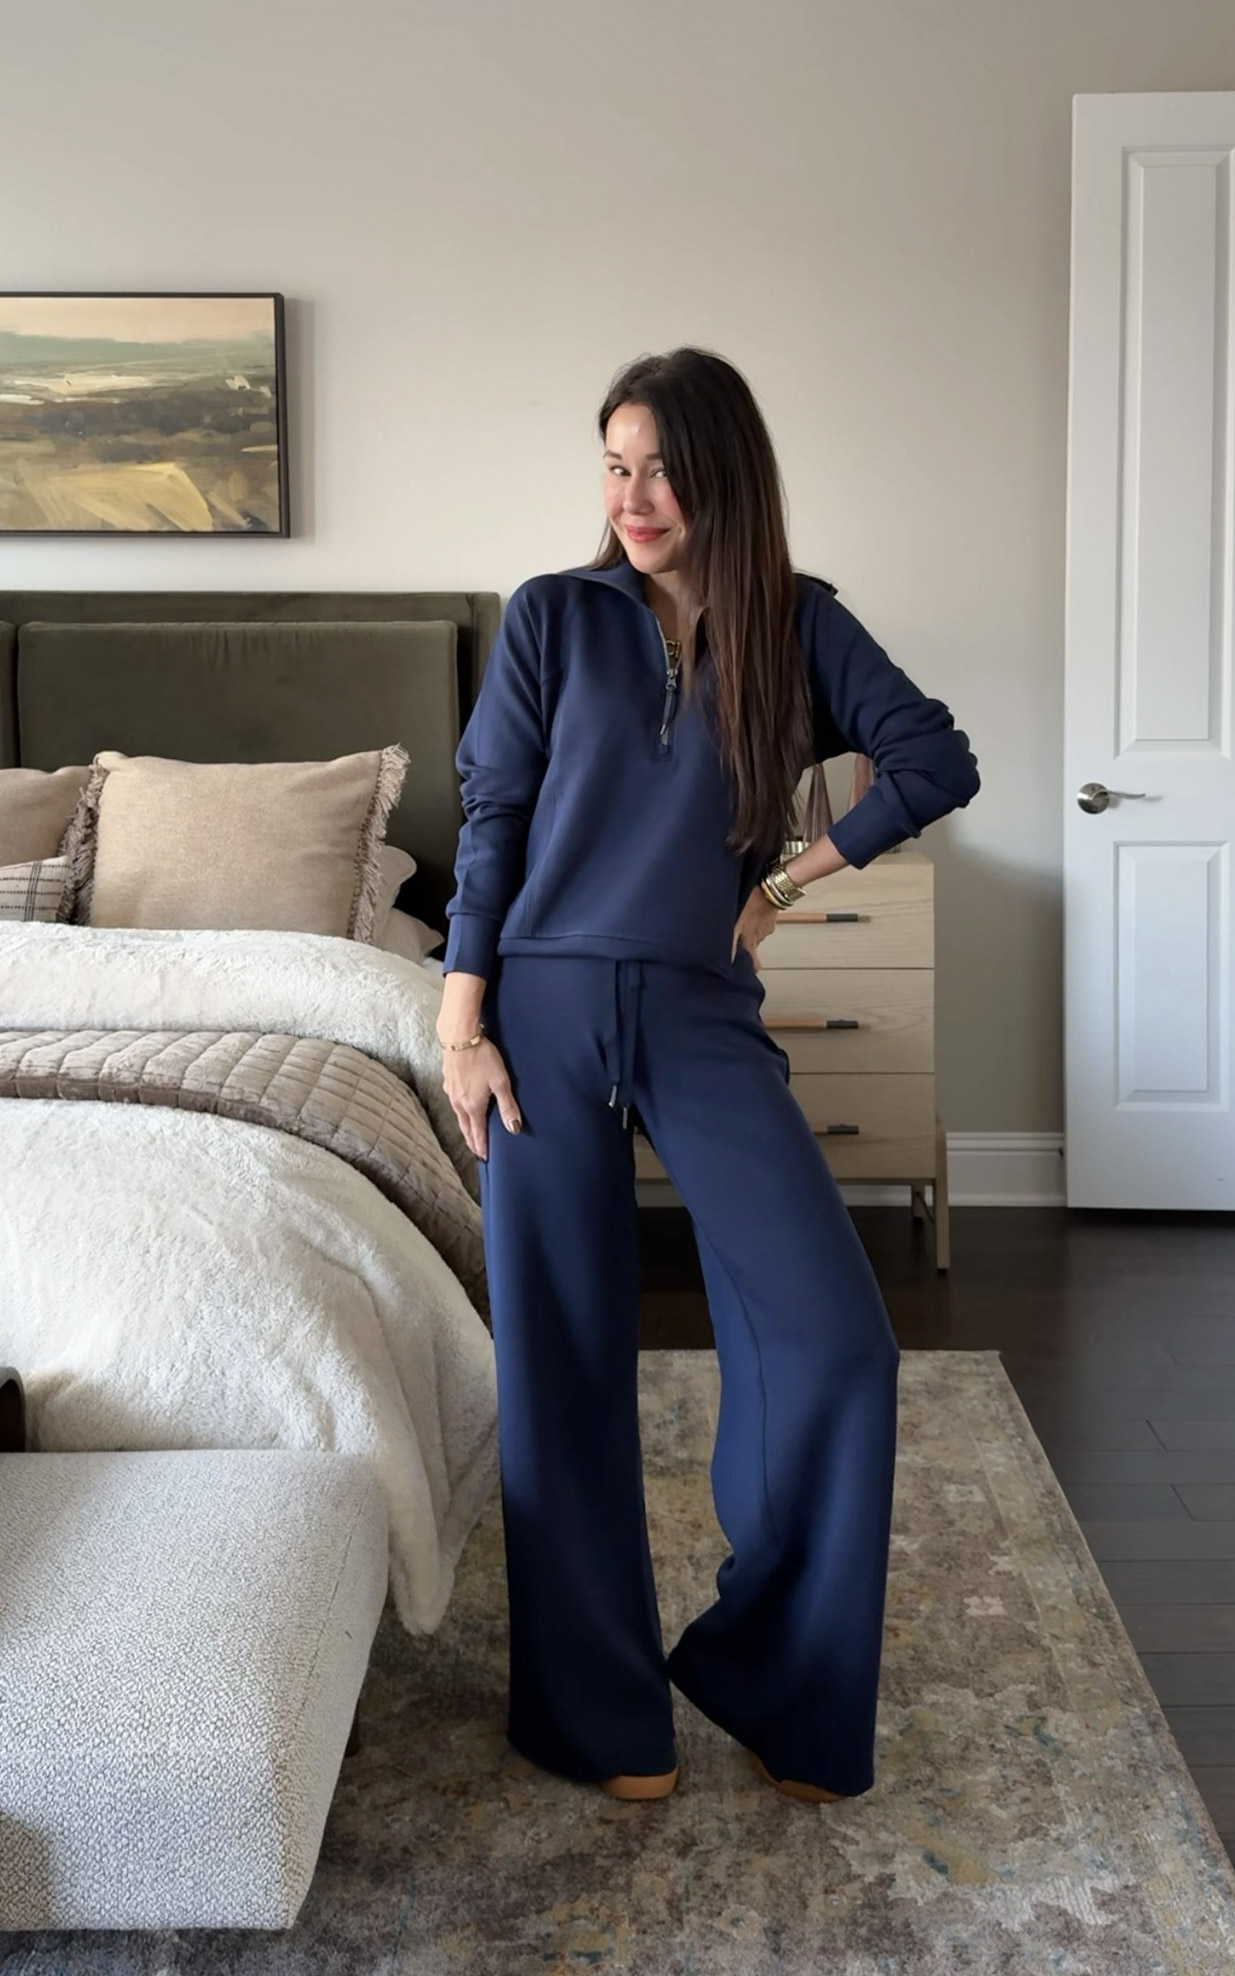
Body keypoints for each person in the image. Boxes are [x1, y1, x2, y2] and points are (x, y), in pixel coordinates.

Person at [436, 346, 980, 1807]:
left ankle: (772, 1676)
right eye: (615, 467)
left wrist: (787, 891)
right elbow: (492, 814)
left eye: (661, 469)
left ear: (722, 474)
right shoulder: (553, 616)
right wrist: (460, 1019)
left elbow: (934, 761)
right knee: (562, 1357)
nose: (634, 497)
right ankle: (596, 1714)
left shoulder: (801, 627)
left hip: (695, 1008)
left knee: (837, 1340)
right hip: (541, 1006)